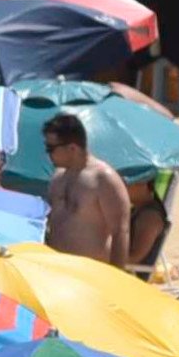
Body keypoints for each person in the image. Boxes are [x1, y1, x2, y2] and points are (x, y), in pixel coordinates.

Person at [43, 112, 132, 267]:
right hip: (57, 271)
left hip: (91, 273)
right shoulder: (57, 178)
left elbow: (120, 232)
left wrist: (117, 279)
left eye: (51, 148)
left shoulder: (103, 179)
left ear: (72, 148)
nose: (48, 154)